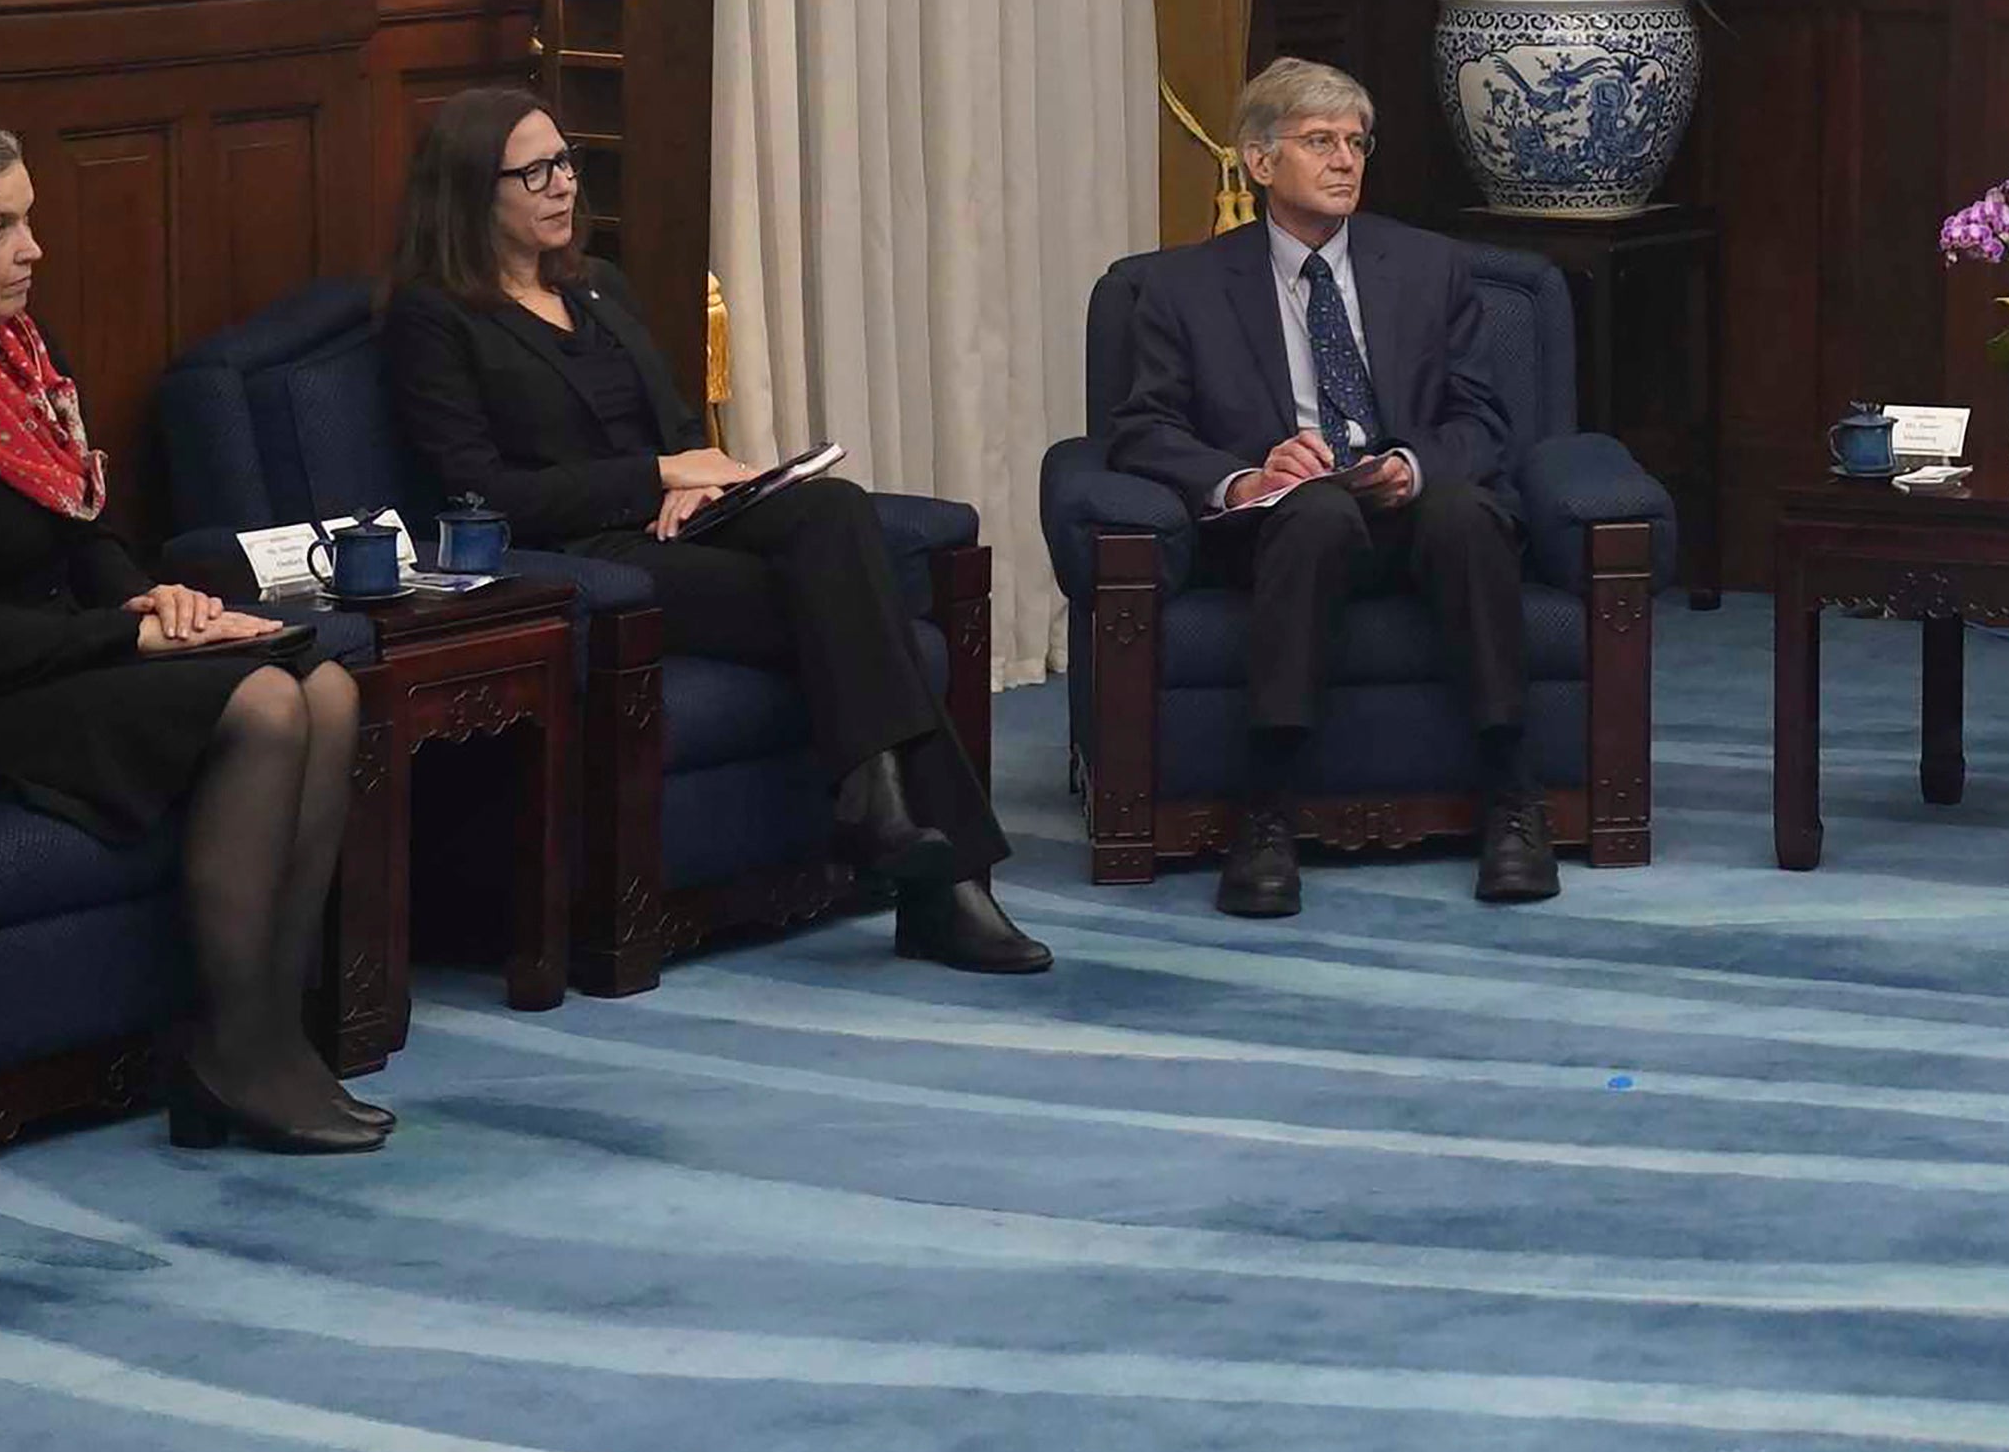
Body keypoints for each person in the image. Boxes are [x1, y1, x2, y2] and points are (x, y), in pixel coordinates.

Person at [380, 88, 1046, 975]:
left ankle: (883, 811)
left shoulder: (595, 285)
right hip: (586, 558)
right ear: (471, 191)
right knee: (849, 606)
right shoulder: (435, 318)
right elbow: (482, 492)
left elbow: (678, 424)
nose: (562, 185)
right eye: (534, 171)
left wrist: (701, 479)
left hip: (679, 526)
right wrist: (658, 475)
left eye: (566, 161)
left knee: (834, 507)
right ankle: (944, 881)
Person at [0, 112, 387, 1157]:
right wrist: (121, 640)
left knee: (327, 684)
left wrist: (150, 601)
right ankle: (230, 1053)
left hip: (68, 653)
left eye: (28, 221)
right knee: (263, 702)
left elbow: (88, 535)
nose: (31, 250)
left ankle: (272, 1030)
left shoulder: (18, 352)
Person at [1098, 60, 1557, 920]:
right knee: (1312, 511)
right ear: (1260, 162)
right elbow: (1142, 428)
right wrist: (1244, 476)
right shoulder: (1177, 286)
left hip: (1410, 507)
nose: (1345, 160)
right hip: (1288, 527)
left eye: (1355, 142)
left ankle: (1511, 797)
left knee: (1463, 510)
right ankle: (1265, 812)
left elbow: (1483, 419)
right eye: (1320, 142)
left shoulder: (1432, 268)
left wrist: (1411, 465)